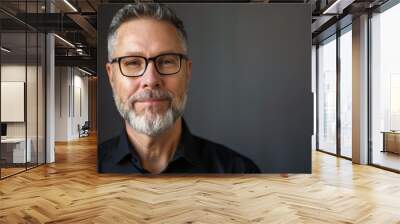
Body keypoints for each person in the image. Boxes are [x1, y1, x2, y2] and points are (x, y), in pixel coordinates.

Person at [98, 3, 260, 174]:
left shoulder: (239, 172)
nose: (151, 80)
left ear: (188, 72)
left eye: (167, 61)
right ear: (111, 76)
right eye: (132, 63)